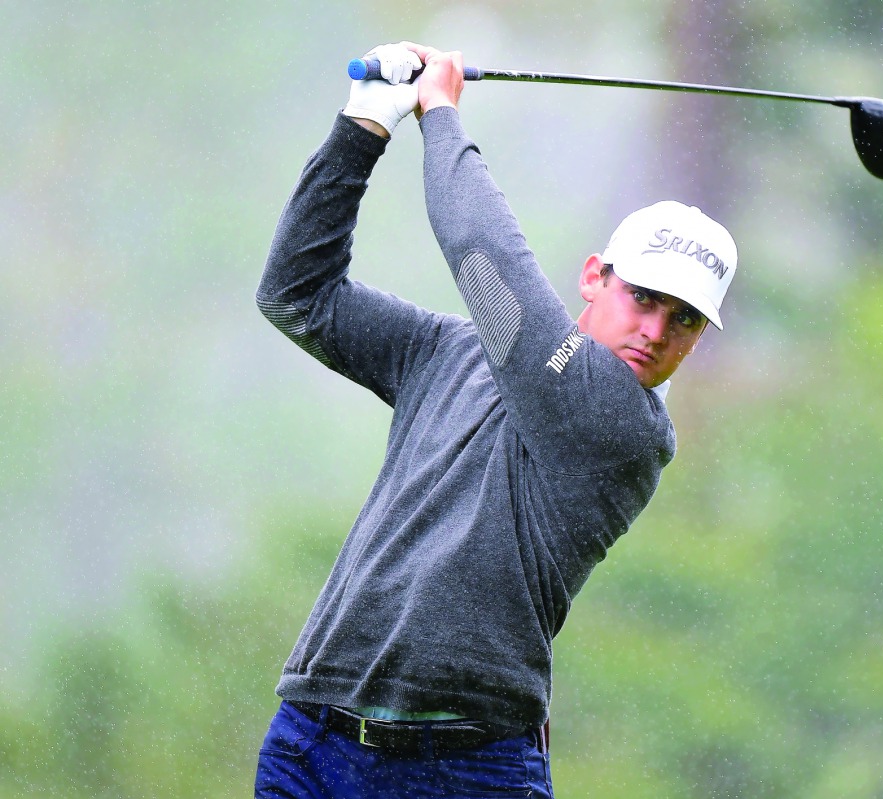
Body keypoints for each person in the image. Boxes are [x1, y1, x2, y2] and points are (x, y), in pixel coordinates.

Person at [253, 40, 738, 798]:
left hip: (467, 768)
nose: (655, 329)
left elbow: (486, 261)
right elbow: (296, 293)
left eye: (684, 320)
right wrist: (361, 129)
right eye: (643, 297)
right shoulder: (446, 350)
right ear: (594, 277)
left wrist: (439, 113)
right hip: (315, 741)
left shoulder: (625, 428)